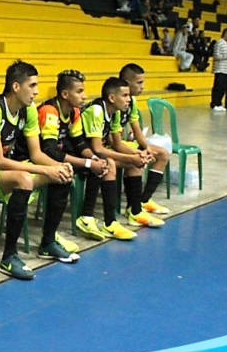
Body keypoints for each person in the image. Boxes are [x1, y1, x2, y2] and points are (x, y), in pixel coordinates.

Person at [0, 60, 75, 280]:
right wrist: (44, 170)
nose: (36, 91)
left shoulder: (28, 110)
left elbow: (37, 154)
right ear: (15, 87)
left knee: (62, 175)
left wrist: (56, 167)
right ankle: (9, 258)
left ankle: (48, 242)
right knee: (24, 179)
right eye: (32, 85)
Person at [38, 70, 136, 243]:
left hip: (61, 154)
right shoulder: (49, 111)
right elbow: (50, 151)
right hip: (42, 158)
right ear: (65, 94)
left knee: (103, 163)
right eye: (79, 91)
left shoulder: (75, 112)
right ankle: (53, 234)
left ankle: (105, 221)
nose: (85, 96)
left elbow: (79, 144)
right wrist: (88, 163)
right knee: (76, 171)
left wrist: (93, 159)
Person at [80, 77, 164, 229]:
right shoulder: (97, 110)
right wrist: (131, 157)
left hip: (96, 152)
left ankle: (135, 211)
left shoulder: (116, 111)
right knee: (111, 163)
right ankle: (109, 222)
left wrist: (138, 154)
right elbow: (98, 148)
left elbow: (117, 143)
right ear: (112, 98)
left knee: (135, 162)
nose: (128, 100)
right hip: (83, 153)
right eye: (125, 96)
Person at [112, 64, 170, 215]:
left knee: (162, 154)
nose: (143, 87)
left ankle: (143, 200)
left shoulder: (132, 102)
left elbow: (137, 130)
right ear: (126, 82)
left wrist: (147, 147)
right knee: (137, 159)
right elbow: (113, 142)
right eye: (139, 83)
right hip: (110, 146)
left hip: (122, 143)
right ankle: (133, 207)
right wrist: (137, 152)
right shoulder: (115, 103)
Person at [210, 28, 227, 112]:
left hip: (225, 69)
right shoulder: (219, 43)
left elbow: (225, 57)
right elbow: (216, 56)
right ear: (226, 34)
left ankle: (219, 103)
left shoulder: (225, 44)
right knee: (217, 87)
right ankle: (214, 104)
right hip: (219, 69)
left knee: (223, 88)